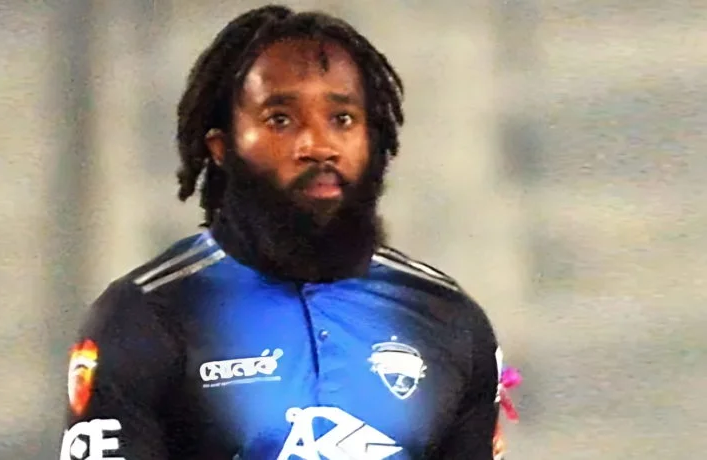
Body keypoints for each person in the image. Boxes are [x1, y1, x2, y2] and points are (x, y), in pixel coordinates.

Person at [59, 4, 512, 459]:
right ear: (222, 147)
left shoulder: (449, 318)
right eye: (280, 119)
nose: (319, 145)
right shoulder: (147, 315)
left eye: (342, 119)